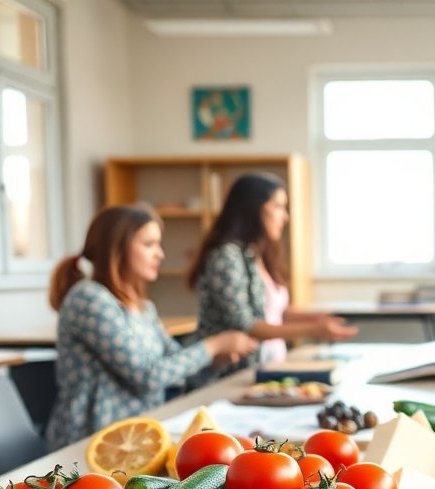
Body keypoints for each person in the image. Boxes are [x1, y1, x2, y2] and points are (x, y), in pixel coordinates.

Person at [45, 205, 256, 448]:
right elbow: (147, 377)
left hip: (138, 437)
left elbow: (178, 369)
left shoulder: (143, 308)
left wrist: (216, 361)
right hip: (91, 443)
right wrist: (213, 345)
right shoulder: (89, 298)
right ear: (117, 249)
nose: (160, 254)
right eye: (149, 244)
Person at [188, 173, 358, 382]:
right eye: (278, 206)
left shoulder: (255, 254)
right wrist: (314, 329)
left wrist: (315, 319)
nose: (285, 216)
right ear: (253, 209)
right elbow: (246, 324)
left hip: (267, 368)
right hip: (231, 376)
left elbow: (274, 312)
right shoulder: (226, 257)